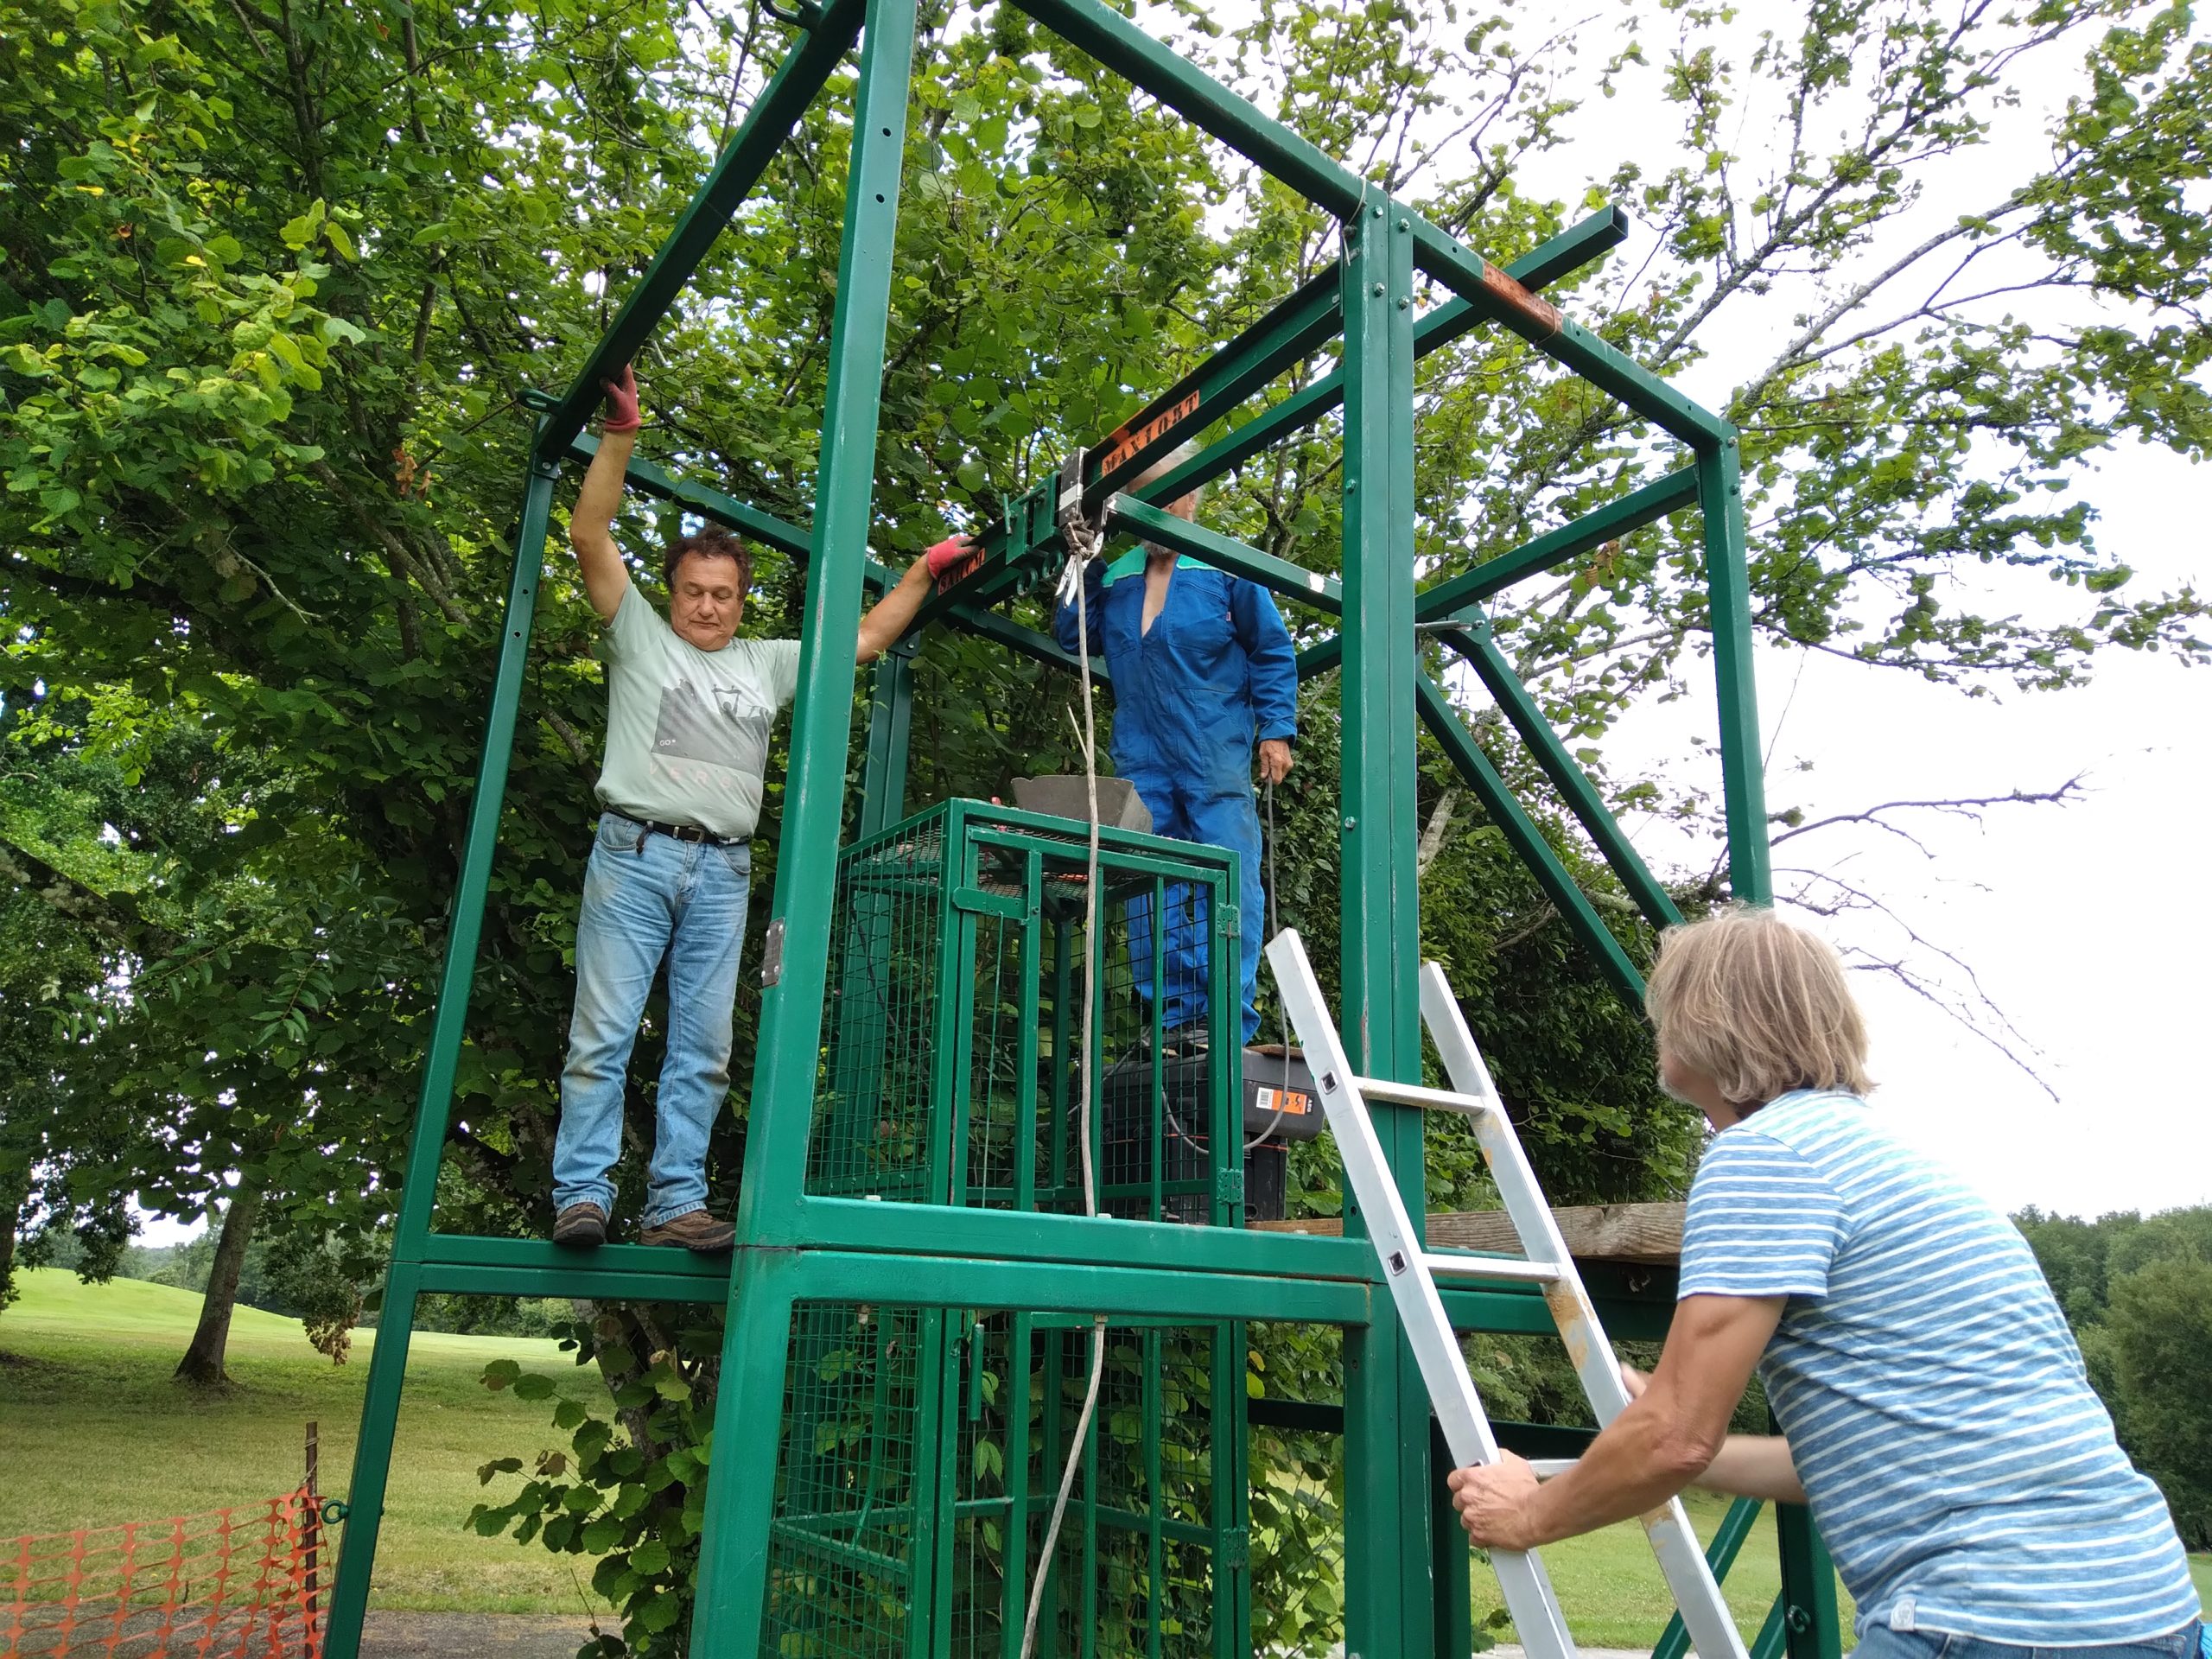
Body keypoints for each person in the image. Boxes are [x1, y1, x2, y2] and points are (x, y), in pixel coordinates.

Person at [1447, 906, 2201, 1659]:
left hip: (1987, 1618)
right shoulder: (1887, 1158)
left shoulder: (1766, 1156)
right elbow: (1831, 1461)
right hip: (2144, 1611)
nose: (1658, 1027)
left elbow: (1674, 1441)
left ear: (1709, 1017)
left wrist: (1531, 1515)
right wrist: (1669, 1416)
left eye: (1667, 1007)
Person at [552, 366, 967, 1251]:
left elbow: (861, 639)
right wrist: (620, 432)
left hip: (721, 874)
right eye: (695, 591)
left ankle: (673, 1205)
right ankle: (582, 1195)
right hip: (633, 855)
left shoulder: (764, 665)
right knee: (605, 1034)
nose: (708, 605)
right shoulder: (639, 638)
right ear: (673, 592)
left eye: (724, 594)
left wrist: (926, 571)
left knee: (703, 1049)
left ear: (743, 602)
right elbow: (591, 534)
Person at [1052, 446, 1296, 1048]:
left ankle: (1226, 1022)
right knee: (1145, 881)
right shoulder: (1116, 573)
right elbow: (1069, 633)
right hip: (1143, 757)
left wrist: (1276, 730)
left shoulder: (1225, 568)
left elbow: (1272, 650)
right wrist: (1084, 555)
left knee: (1229, 876)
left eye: (1169, 495)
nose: (1158, 509)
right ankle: (1173, 1020)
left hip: (1213, 751)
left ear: (1191, 500)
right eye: (1143, 499)